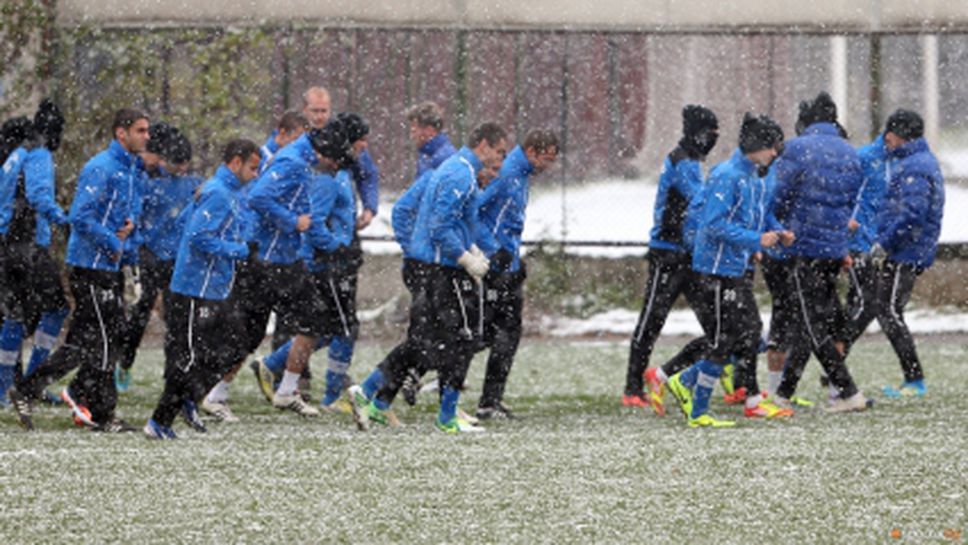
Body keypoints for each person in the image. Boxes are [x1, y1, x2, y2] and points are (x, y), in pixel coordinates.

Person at [359, 122, 508, 433]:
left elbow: (454, 222)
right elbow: (440, 225)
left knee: (427, 343)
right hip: (444, 270)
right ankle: (446, 417)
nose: (500, 160)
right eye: (499, 151)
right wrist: (464, 257)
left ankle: (373, 398)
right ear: (483, 144)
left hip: (436, 267)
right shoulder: (460, 172)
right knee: (462, 340)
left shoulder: (457, 168)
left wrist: (473, 248)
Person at [11, 108, 149, 432]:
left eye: (147, 130)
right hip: (89, 267)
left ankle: (35, 390)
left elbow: (122, 219)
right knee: (104, 340)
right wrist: (112, 243)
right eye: (140, 130)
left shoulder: (130, 169)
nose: (146, 136)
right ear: (121, 133)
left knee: (88, 341)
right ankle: (101, 413)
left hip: (108, 267)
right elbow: (80, 218)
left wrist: (127, 246)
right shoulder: (100, 168)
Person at [660, 114, 792, 428]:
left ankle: (698, 385)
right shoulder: (728, 175)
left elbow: (755, 218)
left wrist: (776, 232)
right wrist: (755, 239)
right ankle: (697, 409)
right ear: (756, 146)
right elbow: (713, 224)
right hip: (716, 270)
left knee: (748, 334)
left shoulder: (754, 177)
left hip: (736, 266)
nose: (775, 154)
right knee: (725, 338)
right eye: (772, 147)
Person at [255, 114, 370, 424]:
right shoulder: (322, 173)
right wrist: (334, 247)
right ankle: (331, 396)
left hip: (336, 257)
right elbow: (312, 218)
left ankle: (272, 365)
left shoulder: (337, 169)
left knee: (330, 327)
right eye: (362, 138)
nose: (366, 145)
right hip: (325, 262)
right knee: (341, 327)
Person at [143, 139, 261, 439]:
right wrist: (238, 250)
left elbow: (185, 221)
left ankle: (187, 399)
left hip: (213, 287)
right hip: (195, 288)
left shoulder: (225, 191)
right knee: (192, 356)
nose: (256, 174)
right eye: (252, 167)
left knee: (234, 344)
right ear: (235, 162)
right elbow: (197, 236)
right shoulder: (218, 193)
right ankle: (160, 420)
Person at [770, 92, 870, 412]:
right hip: (833, 248)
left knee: (812, 325)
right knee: (808, 320)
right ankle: (783, 393)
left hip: (803, 246)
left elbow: (779, 195)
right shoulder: (851, 153)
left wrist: (778, 227)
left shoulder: (797, 148)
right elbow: (850, 200)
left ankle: (848, 391)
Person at [625, 104, 719, 408]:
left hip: (690, 256)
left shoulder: (692, 161)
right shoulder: (682, 163)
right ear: (699, 133)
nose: (715, 139)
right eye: (712, 133)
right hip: (668, 254)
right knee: (651, 321)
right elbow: (700, 205)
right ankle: (632, 388)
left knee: (716, 328)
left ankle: (667, 376)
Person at [851, 110, 943, 397]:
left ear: (899, 134)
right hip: (906, 249)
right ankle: (911, 377)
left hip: (906, 251)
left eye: (888, 135)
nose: (885, 141)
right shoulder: (917, 161)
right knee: (882, 307)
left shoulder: (915, 166)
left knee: (888, 309)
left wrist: (885, 244)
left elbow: (912, 215)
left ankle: (915, 380)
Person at [473, 128, 559, 419]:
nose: (548, 166)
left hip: (507, 266)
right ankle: (419, 367)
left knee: (504, 332)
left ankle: (490, 400)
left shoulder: (521, 175)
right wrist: (493, 250)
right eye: (545, 158)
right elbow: (474, 212)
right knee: (486, 333)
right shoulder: (508, 175)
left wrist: (514, 259)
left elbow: (508, 221)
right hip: (492, 267)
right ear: (532, 151)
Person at [113, 125, 202, 392]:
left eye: (186, 165)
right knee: (140, 315)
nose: (182, 170)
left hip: (178, 262)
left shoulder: (194, 185)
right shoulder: (150, 183)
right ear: (166, 160)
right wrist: (137, 248)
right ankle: (125, 362)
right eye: (178, 164)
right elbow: (136, 217)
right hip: (151, 257)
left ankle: (171, 374)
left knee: (178, 320)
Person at [0, 99, 69, 415]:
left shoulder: (15, 154)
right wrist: (65, 220)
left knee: (14, 315)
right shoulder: (39, 153)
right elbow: (39, 196)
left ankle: (5, 389)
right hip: (27, 248)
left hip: (7, 245)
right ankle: (31, 383)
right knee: (57, 309)